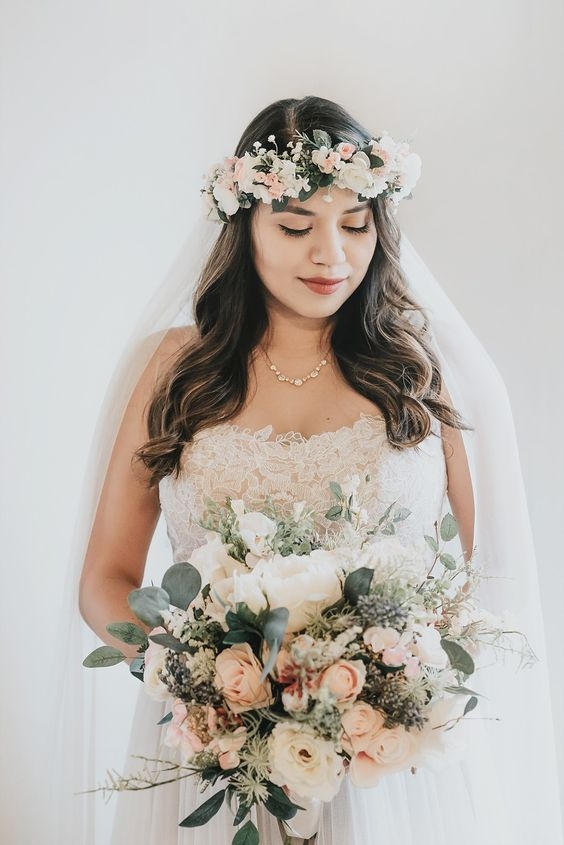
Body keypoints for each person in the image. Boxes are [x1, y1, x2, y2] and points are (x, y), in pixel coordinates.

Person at [76, 96, 562, 845]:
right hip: (216, 751)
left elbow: (499, 567)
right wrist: (213, 674)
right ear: (244, 226)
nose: (331, 254)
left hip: (389, 758)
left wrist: (400, 667)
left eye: (355, 225)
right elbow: (105, 576)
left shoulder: (426, 369)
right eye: (297, 226)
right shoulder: (174, 366)